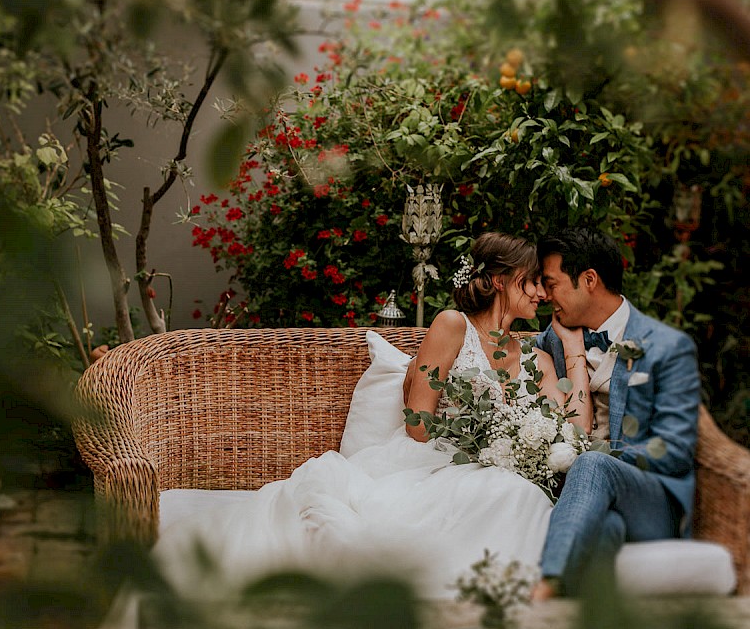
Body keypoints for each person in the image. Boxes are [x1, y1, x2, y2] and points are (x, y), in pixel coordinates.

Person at [153, 232, 588, 600]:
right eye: (531, 281)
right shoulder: (453, 325)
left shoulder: (535, 358)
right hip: (433, 462)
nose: (541, 293)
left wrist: (573, 348)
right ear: (498, 280)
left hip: (501, 472)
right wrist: (482, 441)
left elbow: (577, 434)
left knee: (520, 495)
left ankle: (489, 598)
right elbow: (418, 425)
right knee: (501, 494)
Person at [531, 227, 700, 599]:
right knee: (605, 529)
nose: (543, 295)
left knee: (593, 464)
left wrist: (605, 458)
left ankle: (543, 589)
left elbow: (673, 450)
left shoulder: (668, 348)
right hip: (589, 503)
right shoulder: (553, 340)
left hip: (653, 500)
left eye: (551, 283)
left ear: (589, 280)